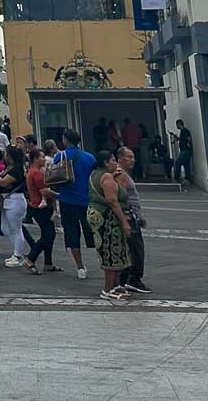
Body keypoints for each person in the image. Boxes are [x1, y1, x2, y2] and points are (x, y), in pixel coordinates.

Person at [87, 150, 131, 303]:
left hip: (97, 215)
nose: (115, 163)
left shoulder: (96, 174)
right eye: (112, 160)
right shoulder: (105, 176)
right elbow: (113, 201)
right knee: (110, 251)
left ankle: (115, 285)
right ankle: (107, 288)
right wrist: (124, 221)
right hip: (107, 218)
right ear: (106, 162)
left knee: (112, 249)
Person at [53, 129, 96, 279]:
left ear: (65, 140)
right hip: (86, 200)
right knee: (94, 232)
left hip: (67, 199)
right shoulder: (89, 157)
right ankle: (103, 260)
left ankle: (80, 267)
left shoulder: (60, 156)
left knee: (72, 234)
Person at [115, 146, 150, 293]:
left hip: (132, 215)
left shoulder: (124, 174)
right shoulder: (120, 174)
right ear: (120, 158)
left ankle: (127, 278)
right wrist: (128, 216)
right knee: (135, 249)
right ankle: (133, 278)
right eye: (128, 157)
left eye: (133, 157)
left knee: (132, 248)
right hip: (129, 216)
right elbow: (120, 197)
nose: (132, 160)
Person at [24, 147, 58, 273]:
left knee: (47, 234)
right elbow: (44, 191)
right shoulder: (36, 173)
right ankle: (31, 257)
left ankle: (48, 263)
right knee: (49, 235)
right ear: (35, 159)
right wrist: (59, 195)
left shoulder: (32, 171)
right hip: (40, 206)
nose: (44, 159)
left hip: (37, 205)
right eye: (42, 157)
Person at [0, 144, 30, 269]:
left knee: (16, 229)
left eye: (6, 154)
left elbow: (3, 182)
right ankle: (17, 251)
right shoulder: (10, 167)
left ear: (10, 156)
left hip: (15, 199)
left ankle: (18, 255)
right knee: (5, 228)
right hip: (7, 200)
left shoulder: (17, 169)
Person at [173, 119, 194, 185]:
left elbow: (188, 139)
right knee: (186, 165)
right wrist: (178, 138)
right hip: (186, 150)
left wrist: (188, 145)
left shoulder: (184, 131)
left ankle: (177, 178)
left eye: (177, 124)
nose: (176, 126)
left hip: (185, 150)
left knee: (178, 163)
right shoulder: (183, 131)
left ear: (179, 124)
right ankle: (188, 179)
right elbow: (184, 139)